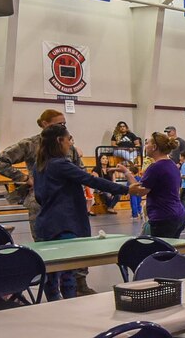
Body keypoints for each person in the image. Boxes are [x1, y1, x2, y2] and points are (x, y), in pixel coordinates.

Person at [31, 123, 145, 299]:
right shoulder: (60, 164)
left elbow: (39, 196)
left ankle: (54, 307)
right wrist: (126, 190)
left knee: (51, 275)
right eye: (69, 139)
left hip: (46, 223)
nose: (71, 143)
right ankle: (69, 306)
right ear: (59, 141)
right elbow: (91, 180)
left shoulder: (40, 166)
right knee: (68, 275)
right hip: (64, 225)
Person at [0, 109, 67, 211]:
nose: (63, 127)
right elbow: (0, 163)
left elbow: (79, 169)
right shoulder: (30, 144)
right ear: (45, 124)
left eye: (64, 124)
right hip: (40, 201)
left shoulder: (66, 144)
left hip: (64, 201)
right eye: (59, 123)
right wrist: (24, 178)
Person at [139, 132, 185, 239]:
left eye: (147, 143)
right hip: (178, 215)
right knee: (170, 250)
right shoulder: (173, 165)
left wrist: (127, 173)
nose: (145, 146)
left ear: (154, 147)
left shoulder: (155, 167)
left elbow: (140, 191)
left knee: (160, 252)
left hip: (164, 217)